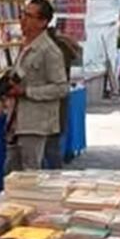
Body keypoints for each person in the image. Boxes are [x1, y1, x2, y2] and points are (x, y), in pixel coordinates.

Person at [2, 0, 70, 173]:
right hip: (16, 121)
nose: (22, 19)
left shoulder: (49, 50)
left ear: (42, 22)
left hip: (35, 123)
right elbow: (17, 76)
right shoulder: (26, 46)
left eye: (29, 16)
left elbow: (61, 88)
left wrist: (26, 91)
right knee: (12, 173)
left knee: (29, 174)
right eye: (23, 14)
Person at [44, 26, 81, 170]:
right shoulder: (64, 47)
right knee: (53, 146)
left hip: (52, 104)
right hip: (59, 102)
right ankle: (55, 174)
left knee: (50, 147)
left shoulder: (53, 51)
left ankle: (54, 175)